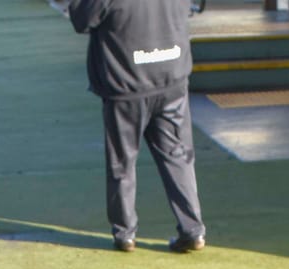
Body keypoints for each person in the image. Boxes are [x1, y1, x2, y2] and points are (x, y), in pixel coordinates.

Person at [65, 0, 207, 254]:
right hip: (171, 77)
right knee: (178, 157)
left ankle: (125, 233)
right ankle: (192, 229)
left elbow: (81, 19)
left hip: (126, 83)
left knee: (122, 162)